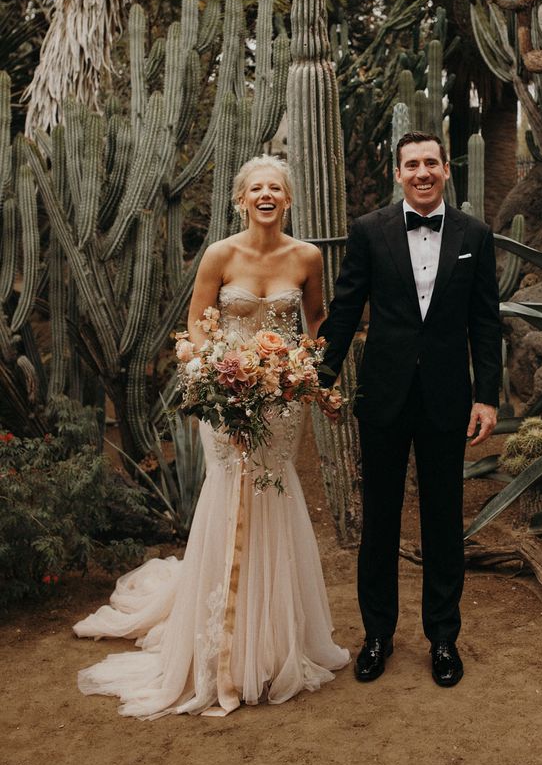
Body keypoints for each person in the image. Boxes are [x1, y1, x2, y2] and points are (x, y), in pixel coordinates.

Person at [73, 155, 349, 718]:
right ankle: (222, 648)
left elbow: (316, 320)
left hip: (281, 404)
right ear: (241, 199)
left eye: (276, 187)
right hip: (225, 400)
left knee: (275, 495)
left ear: (289, 200)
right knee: (230, 496)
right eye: (256, 188)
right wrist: (218, 369)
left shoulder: (307, 257)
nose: (266, 194)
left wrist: (303, 370)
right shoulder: (221, 254)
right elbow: (198, 327)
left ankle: (274, 645)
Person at [319, 132, 502, 688]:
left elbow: (486, 320)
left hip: (448, 399)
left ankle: (443, 638)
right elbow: (346, 308)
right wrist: (319, 379)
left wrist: (487, 395)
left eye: (431, 163)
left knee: (444, 522)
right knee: (379, 520)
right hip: (384, 396)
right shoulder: (369, 231)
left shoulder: (475, 234)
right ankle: (377, 635)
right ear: (396, 173)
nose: (421, 172)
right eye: (411, 164)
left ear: (447, 169)